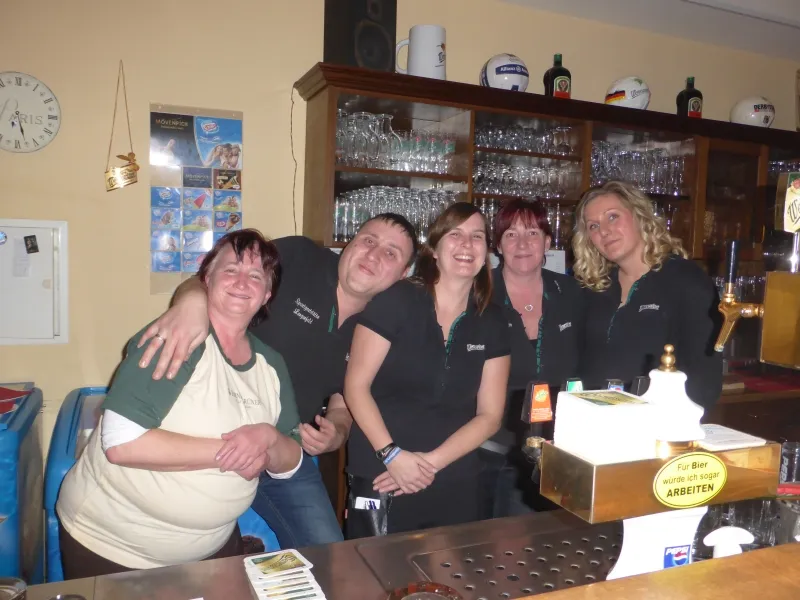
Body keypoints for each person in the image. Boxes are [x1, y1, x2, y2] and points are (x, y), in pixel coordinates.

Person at [137, 214, 418, 547]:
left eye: (390, 253)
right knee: (199, 552)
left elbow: (344, 397)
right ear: (350, 243)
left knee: (328, 553)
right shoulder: (300, 257)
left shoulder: (383, 324)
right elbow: (213, 276)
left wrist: (336, 432)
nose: (373, 254)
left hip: (283, 450)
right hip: (211, 435)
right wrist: (190, 303)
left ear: (404, 273)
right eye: (369, 240)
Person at [56, 230, 302, 579]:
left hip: (210, 547)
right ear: (206, 280)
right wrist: (238, 453)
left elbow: (290, 462)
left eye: (255, 275)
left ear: (267, 295)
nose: (241, 282)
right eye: (230, 269)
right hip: (114, 546)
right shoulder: (178, 337)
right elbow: (122, 442)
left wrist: (268, 439)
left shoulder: (271, 365)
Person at [344, 202, 511, 537]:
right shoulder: (397, 301)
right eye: (455, 235)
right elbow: (356, 387)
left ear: (486, 254)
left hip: (453, 476)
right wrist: (393, 456)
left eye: (477, 237)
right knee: (375, 569)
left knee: (451, 570)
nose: (467, 244)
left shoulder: (492, 321)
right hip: (381, 472)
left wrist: (428, 465)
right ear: (434, 249)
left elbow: (490, 416)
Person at [574, 180, 723, 410]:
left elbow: (705, 382)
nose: (604, 231)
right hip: (592, 419)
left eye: (613, 217)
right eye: (593, 226)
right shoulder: (595, 287)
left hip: (655, 423)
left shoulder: (686, 281)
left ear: (640, 216)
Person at [479, 199, 585, 519]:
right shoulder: (477, 294)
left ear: (548, 242)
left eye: (533, 233)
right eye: (511, 234)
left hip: (560, 447)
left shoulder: (573, 293)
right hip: (490, 448)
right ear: (498, 245)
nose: (522, 244)